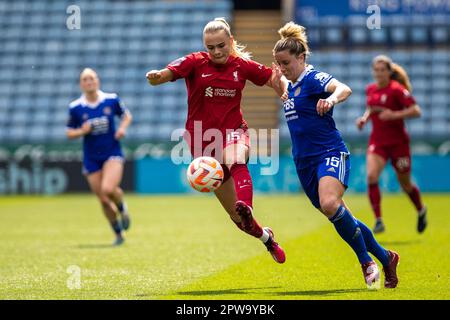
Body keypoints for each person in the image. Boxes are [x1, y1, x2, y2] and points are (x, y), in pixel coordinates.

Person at [146, 18, 286, 263]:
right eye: (211, 47)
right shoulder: (194, 62)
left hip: (234, 132)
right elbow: (167, 74)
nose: (217, 51)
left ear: (231, 42)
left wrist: (284, 91)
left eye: (221, 45)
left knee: (235, 158)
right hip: (203, 144)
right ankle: (267, 239)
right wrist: (157, 76)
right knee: (242, 223)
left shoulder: (242, 66)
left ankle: (247, 204)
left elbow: (272, 78)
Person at [273, 22, 399, 288]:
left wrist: (330, 100)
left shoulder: (312, 78)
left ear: (301, 58)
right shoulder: (290, 85)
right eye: (279, 64)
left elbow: (343, 88)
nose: (282, 69)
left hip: (330, 152)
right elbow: (278, 78)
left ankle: (366, 261)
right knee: (340, 214)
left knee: (330, 203)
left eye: (286, 63)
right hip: (304, 162)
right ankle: (386, 257)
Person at [356, 55, 427, 234]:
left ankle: (421, 209)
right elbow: (371, 108)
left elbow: (416, 110)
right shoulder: (370, 89)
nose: (379, 73)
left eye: (382, 70)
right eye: (376, 70)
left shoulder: (397, 89)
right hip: (378, 142)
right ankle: (378, 220)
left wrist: (393, 115)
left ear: (389, 72)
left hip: (398, 144)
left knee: (405, 184)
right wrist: (364, 119)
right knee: (371, 176)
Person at [66, 68, 132, 246]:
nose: (89, 82)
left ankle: (122, 208)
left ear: (97, 81)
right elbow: (69, 133)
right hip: (91, 157)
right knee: (103, 200)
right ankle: (118, 234)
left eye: (92, 78)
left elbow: (126, 116)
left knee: (108, 189)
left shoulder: (111, 99)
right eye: (85, 79)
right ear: (81, 84)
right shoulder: (76, 107)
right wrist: (82, 131)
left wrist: (122, 129)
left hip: (112, 152)